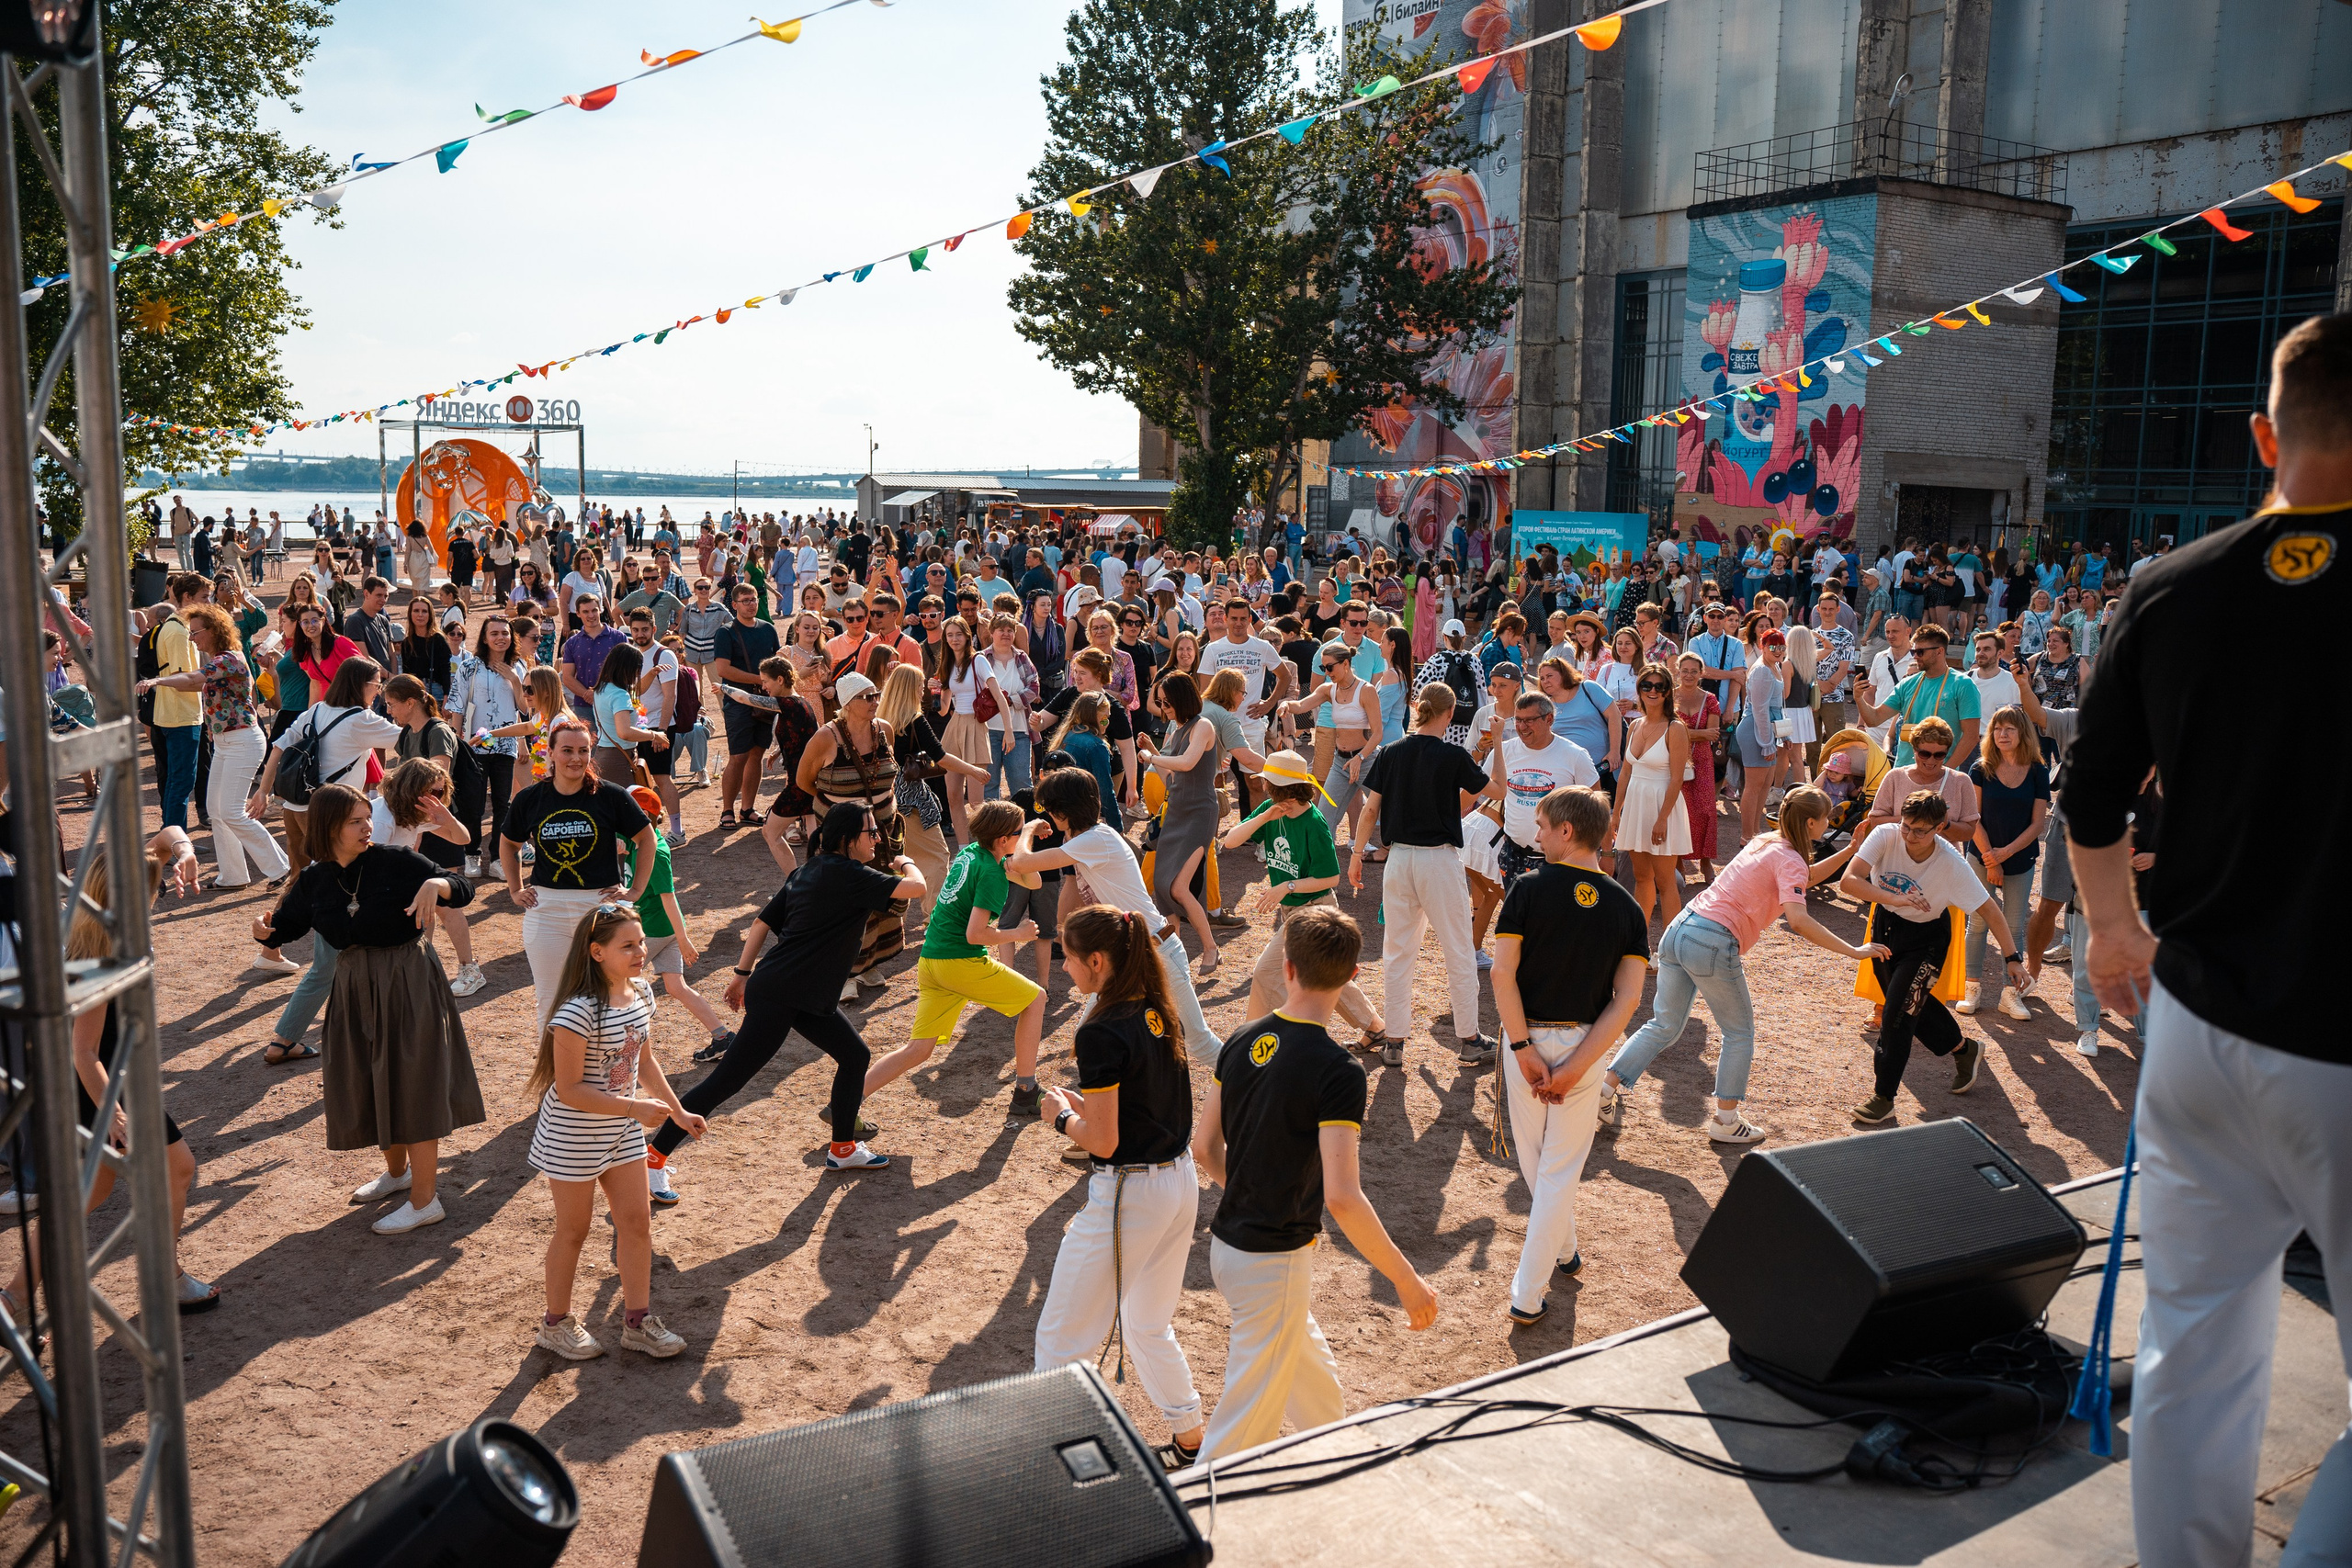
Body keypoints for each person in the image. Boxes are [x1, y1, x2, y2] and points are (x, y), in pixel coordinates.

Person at [2056, 312, 2349, 1568]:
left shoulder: (2171, 586)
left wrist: (2116, 930)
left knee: (2190, 1353)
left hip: (2197, 1028)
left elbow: (2090, 792)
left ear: (2261, 436)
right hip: (2340, 1043)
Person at [1192, 907, 1437, 1461]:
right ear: (1354, 976)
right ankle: (1191, 1526)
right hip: (1272, 1259)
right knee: (1242, 1428)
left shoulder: (1239, 1039)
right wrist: (1406, 1279)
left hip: (1230, 1247)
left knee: (1315, 1388)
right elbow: (1342, 1196)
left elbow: (1204, 1148)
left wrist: (1250, 1188)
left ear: (1288, 966)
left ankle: (1341, 1460)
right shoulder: (1338, 1071)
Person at [256, 783, 482, 1234]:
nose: (367, 828)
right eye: (355, 821)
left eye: (366, 818)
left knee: (413, 1081)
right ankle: (398, 1175)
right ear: (328, 828)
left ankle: (425, 1200)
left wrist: (437, 882)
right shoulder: (317, 879)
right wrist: (264, 933)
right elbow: (283, 927)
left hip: (407, 980)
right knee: (372, 1075)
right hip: (355, 985)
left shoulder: (396, 862)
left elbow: (461, 888)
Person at [1600, 787, 1886, 1145]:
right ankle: (1726, 1120)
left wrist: (1849, 851)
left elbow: (1802, 878)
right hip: (1713, 941)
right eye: (1826, 818)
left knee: (1664, 1024)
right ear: (1811, 823)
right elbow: (1798, 918)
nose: (1828, 823)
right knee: (1739, 1033)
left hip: (1679, 930)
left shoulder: (1766, 842)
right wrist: (1853, 951)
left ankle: (1603, 1090)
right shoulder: (1788, 857)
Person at [1034, 905, 1207, 1469]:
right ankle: (1189, 1439)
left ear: (1099, 961)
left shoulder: (1101, 1029)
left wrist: (1059, 1117)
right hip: (1178, 1184)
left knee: (1061, 1341)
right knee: (1146, 1323)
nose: (1065, 968)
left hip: (1129, 1194)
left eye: (1069, 957)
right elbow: (1139, 1108)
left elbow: (1103, 1141)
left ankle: (1058, 1466)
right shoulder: (1160, 1010)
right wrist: (1087, 1110)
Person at [1491, 787, 1652, 1323]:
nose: (1535, 835)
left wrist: (1520, 1047)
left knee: (1540, 1166)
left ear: (1566, 830)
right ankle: (1562, 1251)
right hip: (1586, 1042)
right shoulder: (1628, 907)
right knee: (1553, 1170)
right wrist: (1580, 1065)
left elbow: (1501, 973)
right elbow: (1628, 998)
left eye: (1540, 825)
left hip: (1526, 1038)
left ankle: (1527, 1293)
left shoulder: (1528, 888)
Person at [526, 903, 699, 1360]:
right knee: (574, 1230)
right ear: (596, 952)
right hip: (573, 1135)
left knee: (636, 1223)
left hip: (621, 1130)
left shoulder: (642, 993)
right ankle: (555, 1323)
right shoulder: (576, 1012)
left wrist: (678, 1112)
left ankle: (637, 1322)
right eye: (628, 945)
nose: (641, 951)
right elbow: (568, 1089)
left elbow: (643, 1060)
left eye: (641, 942)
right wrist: (633, 1108)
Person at [1840, 792, 2029, 1127]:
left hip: (1926, 941)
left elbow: (1990, 911)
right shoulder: (1885, 835)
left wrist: (2012, 958)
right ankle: (1963, 1049)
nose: (1910, 836)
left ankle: (1884, 1098)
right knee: (1913, 1004)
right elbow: (1849, 881)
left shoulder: (1951, 864)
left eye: (1921, 831)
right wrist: (1895, 899)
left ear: (1941, 827)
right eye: (1906, 826)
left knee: (1897, 1014)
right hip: (1885, 928)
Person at [860, 800, 1047, 1114]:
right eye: (1017, 833)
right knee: (1036, 999)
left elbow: (1034, 880)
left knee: (918, 1049)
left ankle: (847, 1100)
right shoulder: (992, 873)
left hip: (932, 959)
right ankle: (1026, 1089)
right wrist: (1020, 933)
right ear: (1003, 840)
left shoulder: (972, 852)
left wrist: (1025, 831)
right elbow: (975, 935)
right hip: (959, 961)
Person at [1013, 767, 1217, 1049]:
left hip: (1157, 952)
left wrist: (1027, 829)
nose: (1047, 815)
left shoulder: (1096, 840)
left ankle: (1251, 1082)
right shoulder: (1084, 840)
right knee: (1088, 1037)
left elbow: (1021, 863)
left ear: (1064, 812)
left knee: (1199, 1042)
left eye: (1050, 809)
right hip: (1129, 955)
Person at [1347, 684, 1492, 1067]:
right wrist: (1497, 748)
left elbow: (1369, 810)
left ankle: (1394, 1039)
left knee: (1397, 952)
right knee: (1459, 950)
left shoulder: (1392, 752)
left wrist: (1358, 854)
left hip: (1398, 860)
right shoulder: (1453, 754)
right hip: (1438, 862)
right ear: (1447, 715)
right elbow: (1500, 790)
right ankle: (1470, 1038)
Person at [502, 716, 659, 1030]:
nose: (576, 758)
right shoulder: (530, 798)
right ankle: (558, 1077)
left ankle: (607, 1072)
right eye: (567, 750)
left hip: (601, 907)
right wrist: (515, 888)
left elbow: (647, 839)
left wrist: (636, 891)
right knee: (551, 1001)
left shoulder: (610, 795)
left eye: (583, 750)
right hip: (547, 910)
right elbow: (508, 844)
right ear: (550, 752)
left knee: (609, 995)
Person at [135, 602, 288, 889]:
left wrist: (157, 680)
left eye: (195, 632)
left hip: (242, 741)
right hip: (228, 742)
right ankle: (233, 875)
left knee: (230, 811)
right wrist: (165, 682)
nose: (192, 638)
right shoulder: (218, 661)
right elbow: (193, 683)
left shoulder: (228, 658)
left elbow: (193, 679)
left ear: (214, 631)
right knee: (216, 810)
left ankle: (281, 867)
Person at [1962, 705, 2047, 1022]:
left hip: (2020, 859)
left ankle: (2010, 995)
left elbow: (2038, 824)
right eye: (1998, 729)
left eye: (2010, 728)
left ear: (2022, 732)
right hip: (1981, 854)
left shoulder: (2038, 771)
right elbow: (1973, 819)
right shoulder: (1980, 768)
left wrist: (2005, 854)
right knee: (1979, 924)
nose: (2003, 734)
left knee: (2013, 927)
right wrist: (1990, 858)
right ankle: (1972, 988)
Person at [1139, 672, 1222, 972]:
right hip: (1176, 812)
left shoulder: (1203, 726)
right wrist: (1157, 752)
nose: (1164, 708)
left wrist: (1152, 757)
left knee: (1179, 888)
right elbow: (1172, 779)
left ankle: (1211, 948)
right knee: (1163, 888)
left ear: (1182, 698)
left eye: (1167, 702)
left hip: (1199, 814)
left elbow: (1187, 763)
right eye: (1160, 703)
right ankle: (1175, 961)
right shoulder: (1177, 729)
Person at [1607, 664, 1692, 928]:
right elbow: (1625, 773)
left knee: (1666, 882)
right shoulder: (1634, 726)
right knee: (1642, 878)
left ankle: (1670, 952)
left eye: (1659, 686)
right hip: (1635, 806)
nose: (1652, 691)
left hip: (1661, 807)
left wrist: (1662, 819)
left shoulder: (1676, 729)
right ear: (1639, 690)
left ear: (1668, 692)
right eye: (1647, 686)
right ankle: (1639, 945)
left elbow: (1677, 779)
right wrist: (1617, 811)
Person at [1854, 621, 1980, 766]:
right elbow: (1874, 719)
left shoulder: (1963, 684)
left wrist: (1945, 772)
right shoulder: (1908, 683)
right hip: (1904, 771)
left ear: (1939, 651)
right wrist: (1859, 698)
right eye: (1913, 652)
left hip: (1939, 773)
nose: (1915, 657)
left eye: (1920, 652)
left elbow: (1971, 736)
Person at [710, 582, 782, 831]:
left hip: (765, 702)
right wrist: (760, 680)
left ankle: (747, 809)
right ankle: (727, 809)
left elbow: (778, 662)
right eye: (746, 600)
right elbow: (723, 670)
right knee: (738, 756)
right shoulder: (726, 632)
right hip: (738, 702)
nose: (751, 604)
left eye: (754, 599)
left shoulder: (769, 629)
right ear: (734, 604)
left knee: (756, 755)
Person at [1670, 651, 1723, 878]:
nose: (1689, 675)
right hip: (1674, 759)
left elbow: (1713, 735)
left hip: (1702, 760)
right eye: (1685, 671)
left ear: (1701, 673)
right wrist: (1698, 733)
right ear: (1677, 672)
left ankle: (1705, 861)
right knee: (1678, 810)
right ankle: (1679, 861)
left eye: (1694, 671)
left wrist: (1684, 733)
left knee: (1705, 810)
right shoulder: (1668, 697)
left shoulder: (1709, 699)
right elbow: (1666, 731)